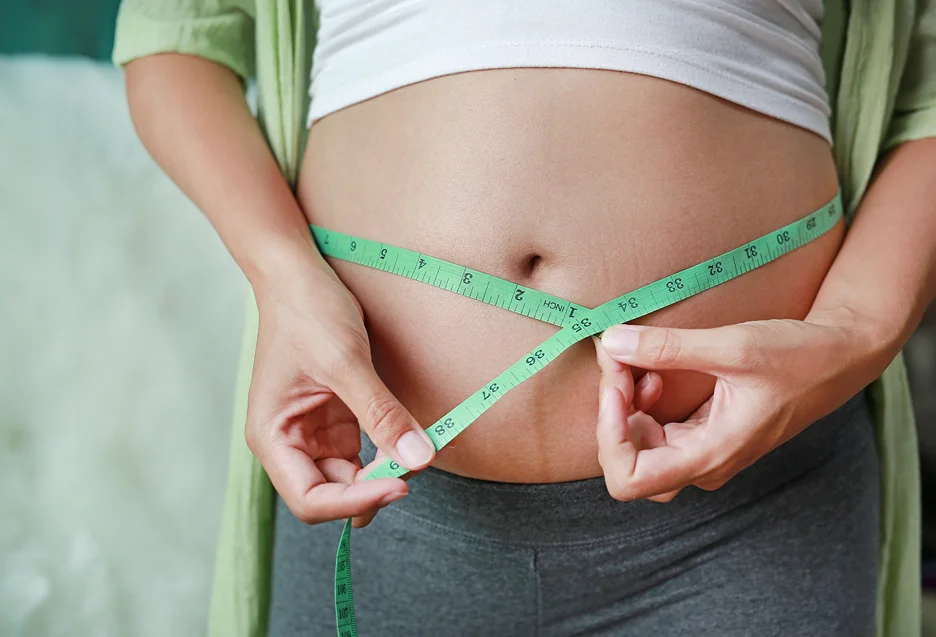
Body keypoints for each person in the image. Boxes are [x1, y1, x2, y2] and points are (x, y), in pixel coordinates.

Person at [114, 0, 936, 635]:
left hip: (755, 517)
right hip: (379, 498)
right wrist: (282, 274)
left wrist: (855, 331)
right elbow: (176, 36)